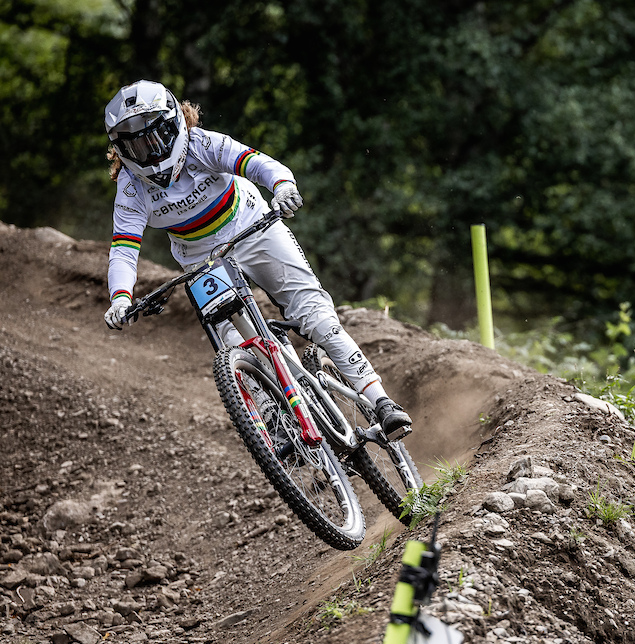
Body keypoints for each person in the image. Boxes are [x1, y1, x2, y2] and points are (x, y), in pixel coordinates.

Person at [101, 79, 412, 437]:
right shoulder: (130, 187)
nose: (151, 152)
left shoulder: (204, 144)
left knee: (315, 316)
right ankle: (274, 418)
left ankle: (381, 402)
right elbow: (123, 249)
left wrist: (283, 186)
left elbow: (257, 164)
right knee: (231, 341)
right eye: (137, 146)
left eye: (156, 137)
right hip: (201, 256)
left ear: (176, 125)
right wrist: (120, 298)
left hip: (252, 226)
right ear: (121, 151)